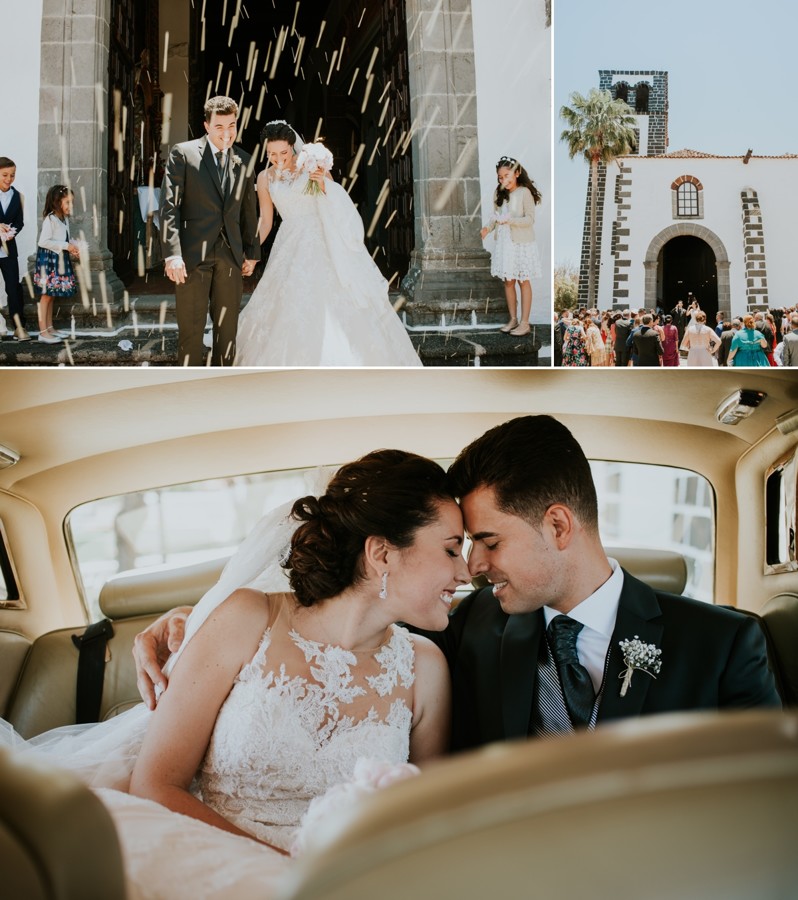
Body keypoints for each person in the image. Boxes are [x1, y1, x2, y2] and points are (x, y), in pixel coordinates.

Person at [139, 417, 781, 759]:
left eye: (489, 542)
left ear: (558, 524)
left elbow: (765, 812)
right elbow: (342, 624)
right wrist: (193, 625)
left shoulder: (724, 645)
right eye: (462, 546)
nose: (471, 567)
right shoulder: (464, 632)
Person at [3, 450, 469, 899]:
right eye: (451, 550)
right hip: (207, 861)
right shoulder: (248, 618)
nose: (466, 571)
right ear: (382, 554)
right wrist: (295, 877)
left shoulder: (425, 668)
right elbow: (157, 783)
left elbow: (422, 826)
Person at [235, 120, 421, 367]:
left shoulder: (311, 165)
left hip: (322, 240)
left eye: (283, 152)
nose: (278, 159)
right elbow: (266, 221)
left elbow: (336, 201)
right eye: (271, 154)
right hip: (288, 243)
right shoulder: (264, 178)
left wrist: (323, 183)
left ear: (293, 147)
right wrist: (251, 251)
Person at [160, 95, 260, 366]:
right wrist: (172, 254)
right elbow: (170, 206)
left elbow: (248, 212)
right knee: (191, 333)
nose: (227, 133)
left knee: (227, 334)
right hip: (192, 257)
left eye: (232, 126)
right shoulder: (183, 154)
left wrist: (251, 252)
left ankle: (222, 388)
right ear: (206, 125)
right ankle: (190, 391)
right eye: (219, 127)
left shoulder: (245, 160)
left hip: (230, 257)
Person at [480, 156, 542, 337]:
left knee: (523, 280)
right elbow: (495, 217)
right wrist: (487, 228)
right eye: (500, 177)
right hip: (505, 243)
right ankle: (513, 319)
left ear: (517, 173)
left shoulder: (524, 192)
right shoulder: (498, 194)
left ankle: (525, 323)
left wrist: (511, 220)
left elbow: (530, 219)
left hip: (521, 242)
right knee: (508, 281)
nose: (503, 180)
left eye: (507, 175)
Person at [32, 184, 80, 344]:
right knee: (46, 296)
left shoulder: (63, 219)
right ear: (56, 202)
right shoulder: (50, 219)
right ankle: (42, 332)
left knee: (51, 296)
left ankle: (50, 327)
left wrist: (72, 247)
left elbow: (61, 239)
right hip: (48, 262)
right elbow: (43, 241)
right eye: (68, 202)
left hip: (57, 259)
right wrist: (66, 246)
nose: (70, 206)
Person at [0, 157, 30, 341]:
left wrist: (12, 232)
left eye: (12, 175)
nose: (9, 179)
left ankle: (19, 328)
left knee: (13, 288)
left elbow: (19, 222)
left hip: (8, 250)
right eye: (4, 175)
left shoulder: (19, 197)